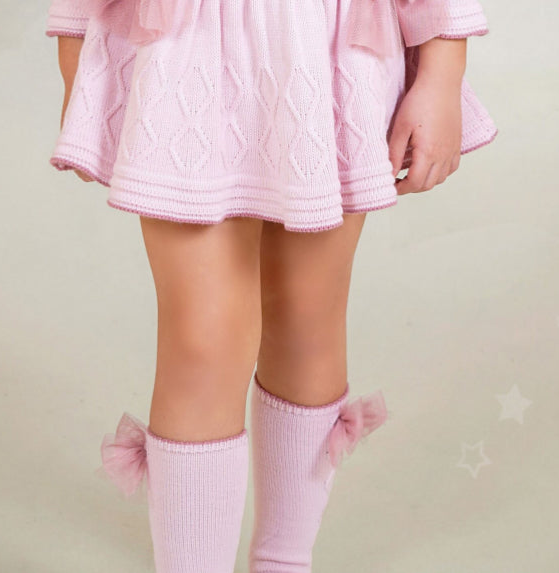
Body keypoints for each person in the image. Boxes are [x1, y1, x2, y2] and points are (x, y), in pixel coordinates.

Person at [44, 1, 498, 572]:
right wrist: (76, 40)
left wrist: (443, 70)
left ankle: (283, 561)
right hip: (184, 48)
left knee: (308, 319)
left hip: (328, 46)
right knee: (200, 339)